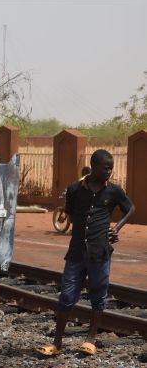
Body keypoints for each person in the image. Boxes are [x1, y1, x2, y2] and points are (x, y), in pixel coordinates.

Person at [36, 150, 135, 357]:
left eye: (111, 168)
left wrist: (116, 229)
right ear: (94, 166)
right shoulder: (74, 189)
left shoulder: (114, 191)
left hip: (100, 253)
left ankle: (90, 339)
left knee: (98, 295)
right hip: (76, 253)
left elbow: (130, 208)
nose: (109, 171)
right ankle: (57, 342)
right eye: (105, 167)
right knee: (67, 295)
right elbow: (70, 213)